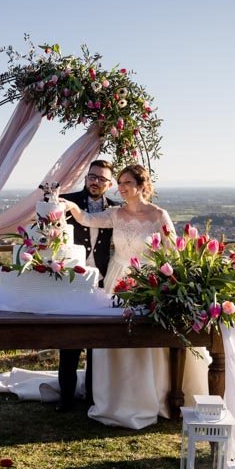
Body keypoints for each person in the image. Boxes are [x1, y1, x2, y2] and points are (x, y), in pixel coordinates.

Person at [62, 164, 209, 429]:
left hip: (147, 282)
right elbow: (86, 218)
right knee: (113, 339)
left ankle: (148, 396)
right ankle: (113, 397)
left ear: (142, 186)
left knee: (144, 339)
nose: (121, 187)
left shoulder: (159, 215)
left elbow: (173, 254)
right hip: (116, 280)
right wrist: (68, 206)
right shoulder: (115, 214)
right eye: (119, 182)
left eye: (127, 182)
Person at [55, 160, 119, 412]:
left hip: (103, 282)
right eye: (92, 176)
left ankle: (94, 396)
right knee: (69, 341)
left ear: (109, 184)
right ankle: (66, 397)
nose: (95, 181)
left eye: (102, 179)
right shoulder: (66, 202)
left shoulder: (116, 209)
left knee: (97, 344)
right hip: (71, 282)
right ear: (86, 177)